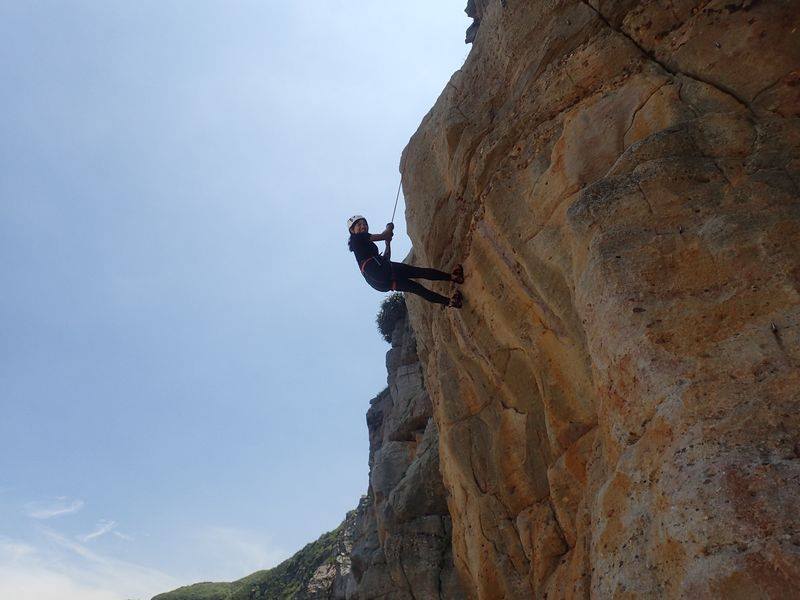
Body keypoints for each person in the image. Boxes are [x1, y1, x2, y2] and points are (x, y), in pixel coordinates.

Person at [347, 214, 463, 308]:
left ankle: (451, 302)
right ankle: (454, 277)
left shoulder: (363, 247)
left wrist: (387, 244)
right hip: (381, 272)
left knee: (417, 289)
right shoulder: (357, 238)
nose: (363, 226)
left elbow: (386, 259)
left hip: (382, 282)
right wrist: (389, 228)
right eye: (359, 225)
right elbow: (385, 234)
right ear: (352, 230)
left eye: (365, 224)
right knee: (418, 272)